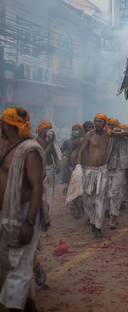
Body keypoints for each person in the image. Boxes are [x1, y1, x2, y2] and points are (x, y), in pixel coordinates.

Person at [0, 107, 47, 312]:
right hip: (5, 213)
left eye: (3, 122)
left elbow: (37, 187)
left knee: (19, 267)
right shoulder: (5, 147)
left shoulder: (29, 149)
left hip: (24, 214)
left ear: (7, 125)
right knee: (7, 265)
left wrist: (29, 222)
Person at [77, 114, 128, 238]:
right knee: (87, 199)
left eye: (100, 122)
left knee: (101, 199)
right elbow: (81, 151)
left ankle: (98, 226)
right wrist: (78, 167)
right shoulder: (89, 135)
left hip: (103, 170)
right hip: (89, 170)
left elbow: (124, 133)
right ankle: (92, 220)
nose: (97, 124)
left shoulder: (109, 135)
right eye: (95, 121)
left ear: (104, 123)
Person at [106, 118, 128, 230]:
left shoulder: (123, 135)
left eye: (109, 124)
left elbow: (120, 134)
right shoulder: (106, 135)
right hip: (106, 167)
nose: (106, 126)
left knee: (115, 192)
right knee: (107, 193)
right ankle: (108, 211)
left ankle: (113, 216)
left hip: (120, 167)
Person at [35, 120, 60, 214]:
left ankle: (47, 214)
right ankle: (40, 213)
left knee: (49, 193)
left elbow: (55, 154)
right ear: (44, 129)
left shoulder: (48, 140)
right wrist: (51, 142)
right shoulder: (37, 141)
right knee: (40, 193)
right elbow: (44, 154)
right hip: (41, 170)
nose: (51, 131)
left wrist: (57, 164)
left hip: (50, 169)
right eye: (49, 129)